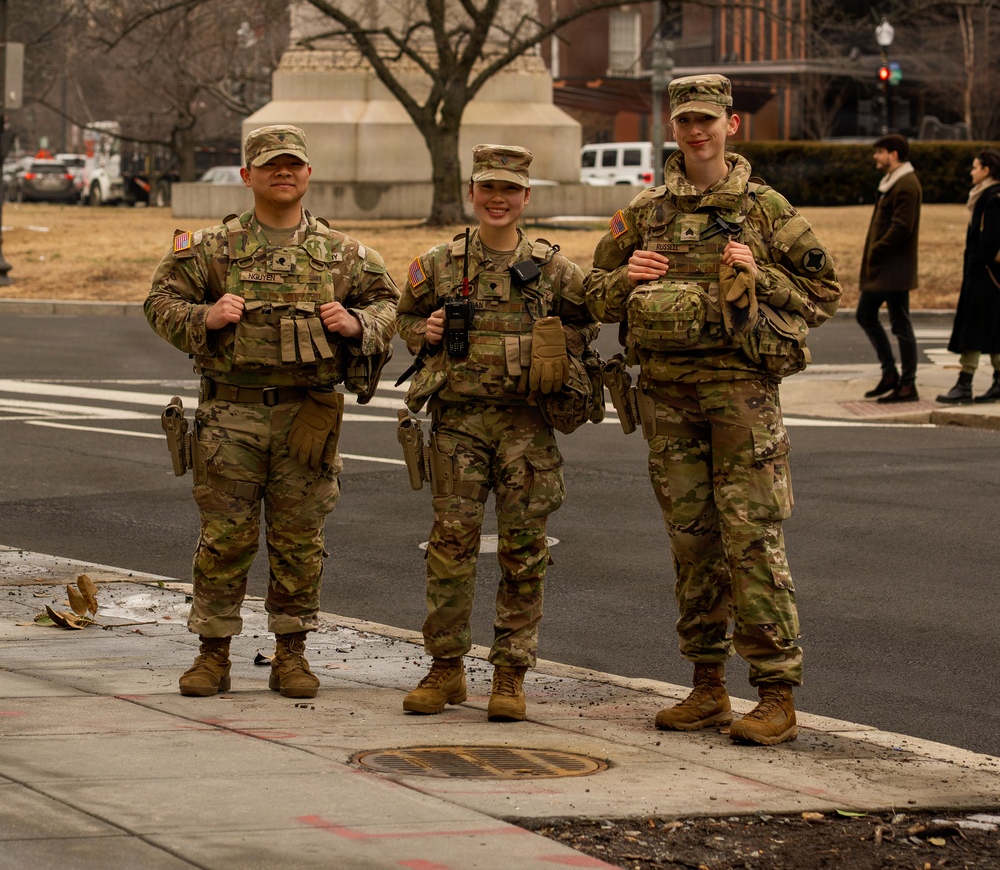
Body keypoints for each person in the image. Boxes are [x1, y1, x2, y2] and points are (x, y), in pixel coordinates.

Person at [585, 75, 840, 747]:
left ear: (732, 125)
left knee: (751, 538)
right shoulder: (643, 212)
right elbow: (590, 296)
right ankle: (706, 688)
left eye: (708, 119)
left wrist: (761, 273)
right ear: (674, 127)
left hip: (741, 398)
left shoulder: (766, 208)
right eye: (685, 120)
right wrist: (624, 279)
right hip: (668, 399)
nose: (696, 131)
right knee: (693, 543)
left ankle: (777, 694)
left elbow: (824, 292)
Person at [144, 125, 398, 700]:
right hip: (230, 415)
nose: (282, 174)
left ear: (308, 175)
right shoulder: (210, 248)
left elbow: (390, 304)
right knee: (225, 538)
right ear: (247, 176)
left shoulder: (345, 253)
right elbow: (159, 300)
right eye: (270, 166)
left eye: (293, 165)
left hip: (306, 417)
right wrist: (203, 319)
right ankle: (212, 654)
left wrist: (359, 325)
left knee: (299, 538)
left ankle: (292, 653)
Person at [395, 144, 599, 723]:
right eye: (488, 189)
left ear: (526, 198)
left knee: (523, 550)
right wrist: (424, 329)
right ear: (473, 194)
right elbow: (404, 318)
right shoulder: (438, 263)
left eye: (510, 190)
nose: (499, 200)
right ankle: (445, 667)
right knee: (450, 549)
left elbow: (589, 321)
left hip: (526, 430)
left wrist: (557, 348)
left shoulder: (553, 269)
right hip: (458, 427)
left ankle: (510, 673)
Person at [856, 133, 923, 403]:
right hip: (887, 268)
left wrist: (877, 248)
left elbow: (902, 227)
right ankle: (892, 375)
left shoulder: (906, 184)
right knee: (872, 317)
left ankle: (906, 384)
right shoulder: (892, 182)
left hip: (894, 270)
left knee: (897, 324)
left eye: (880, 152)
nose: (875, 156)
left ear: (893, 154)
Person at [937, 147, 1000, 405]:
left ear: (986, 170)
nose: (971, 172)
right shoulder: (986, 195)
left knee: (973, 328)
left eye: (975, 167)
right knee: (994, 328)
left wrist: (977, 261)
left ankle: (965, 383)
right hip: (987, 274)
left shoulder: (993, 198)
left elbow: (990, 240)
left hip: (985, 274)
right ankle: (997, 381)